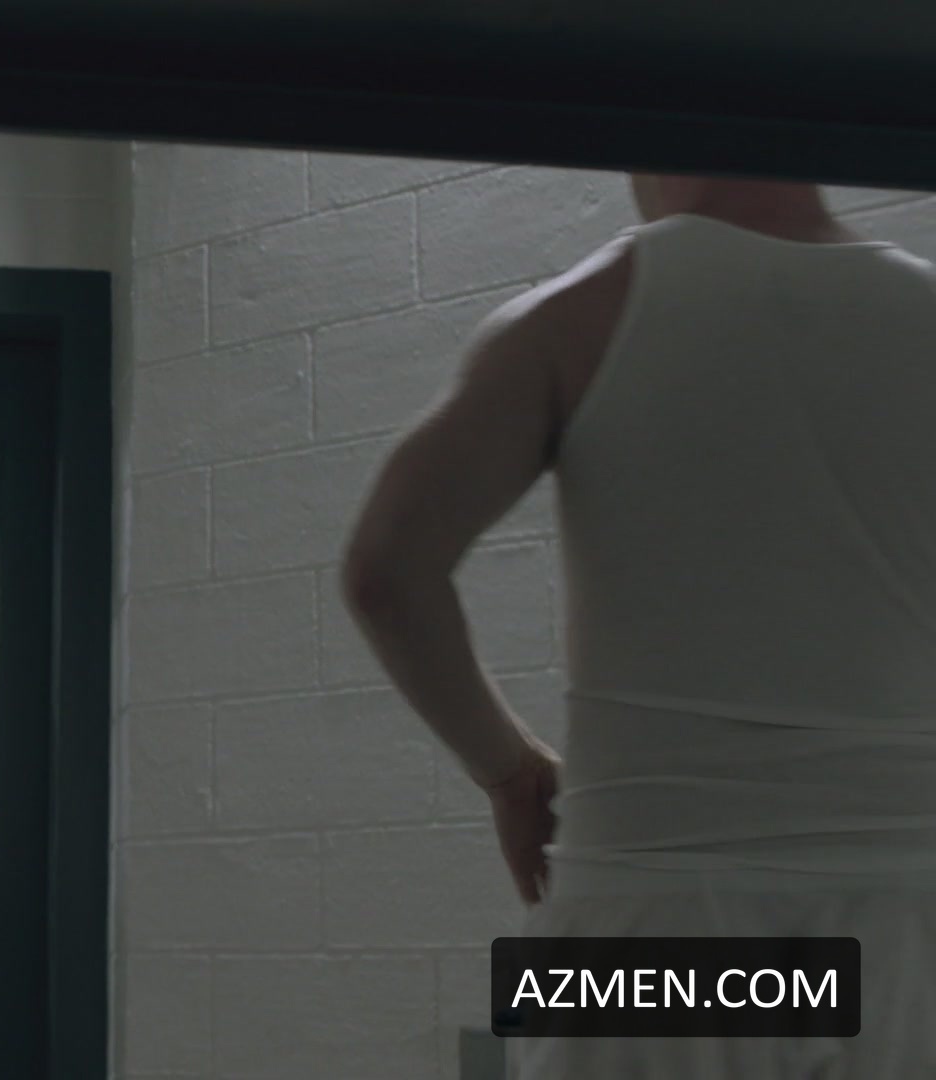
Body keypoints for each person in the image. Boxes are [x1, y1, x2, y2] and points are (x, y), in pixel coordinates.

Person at [342, 174, 936, 1075]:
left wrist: (510, 774)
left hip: (647, 917)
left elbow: (386, 572)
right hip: (913, 923)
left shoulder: (577, 317)